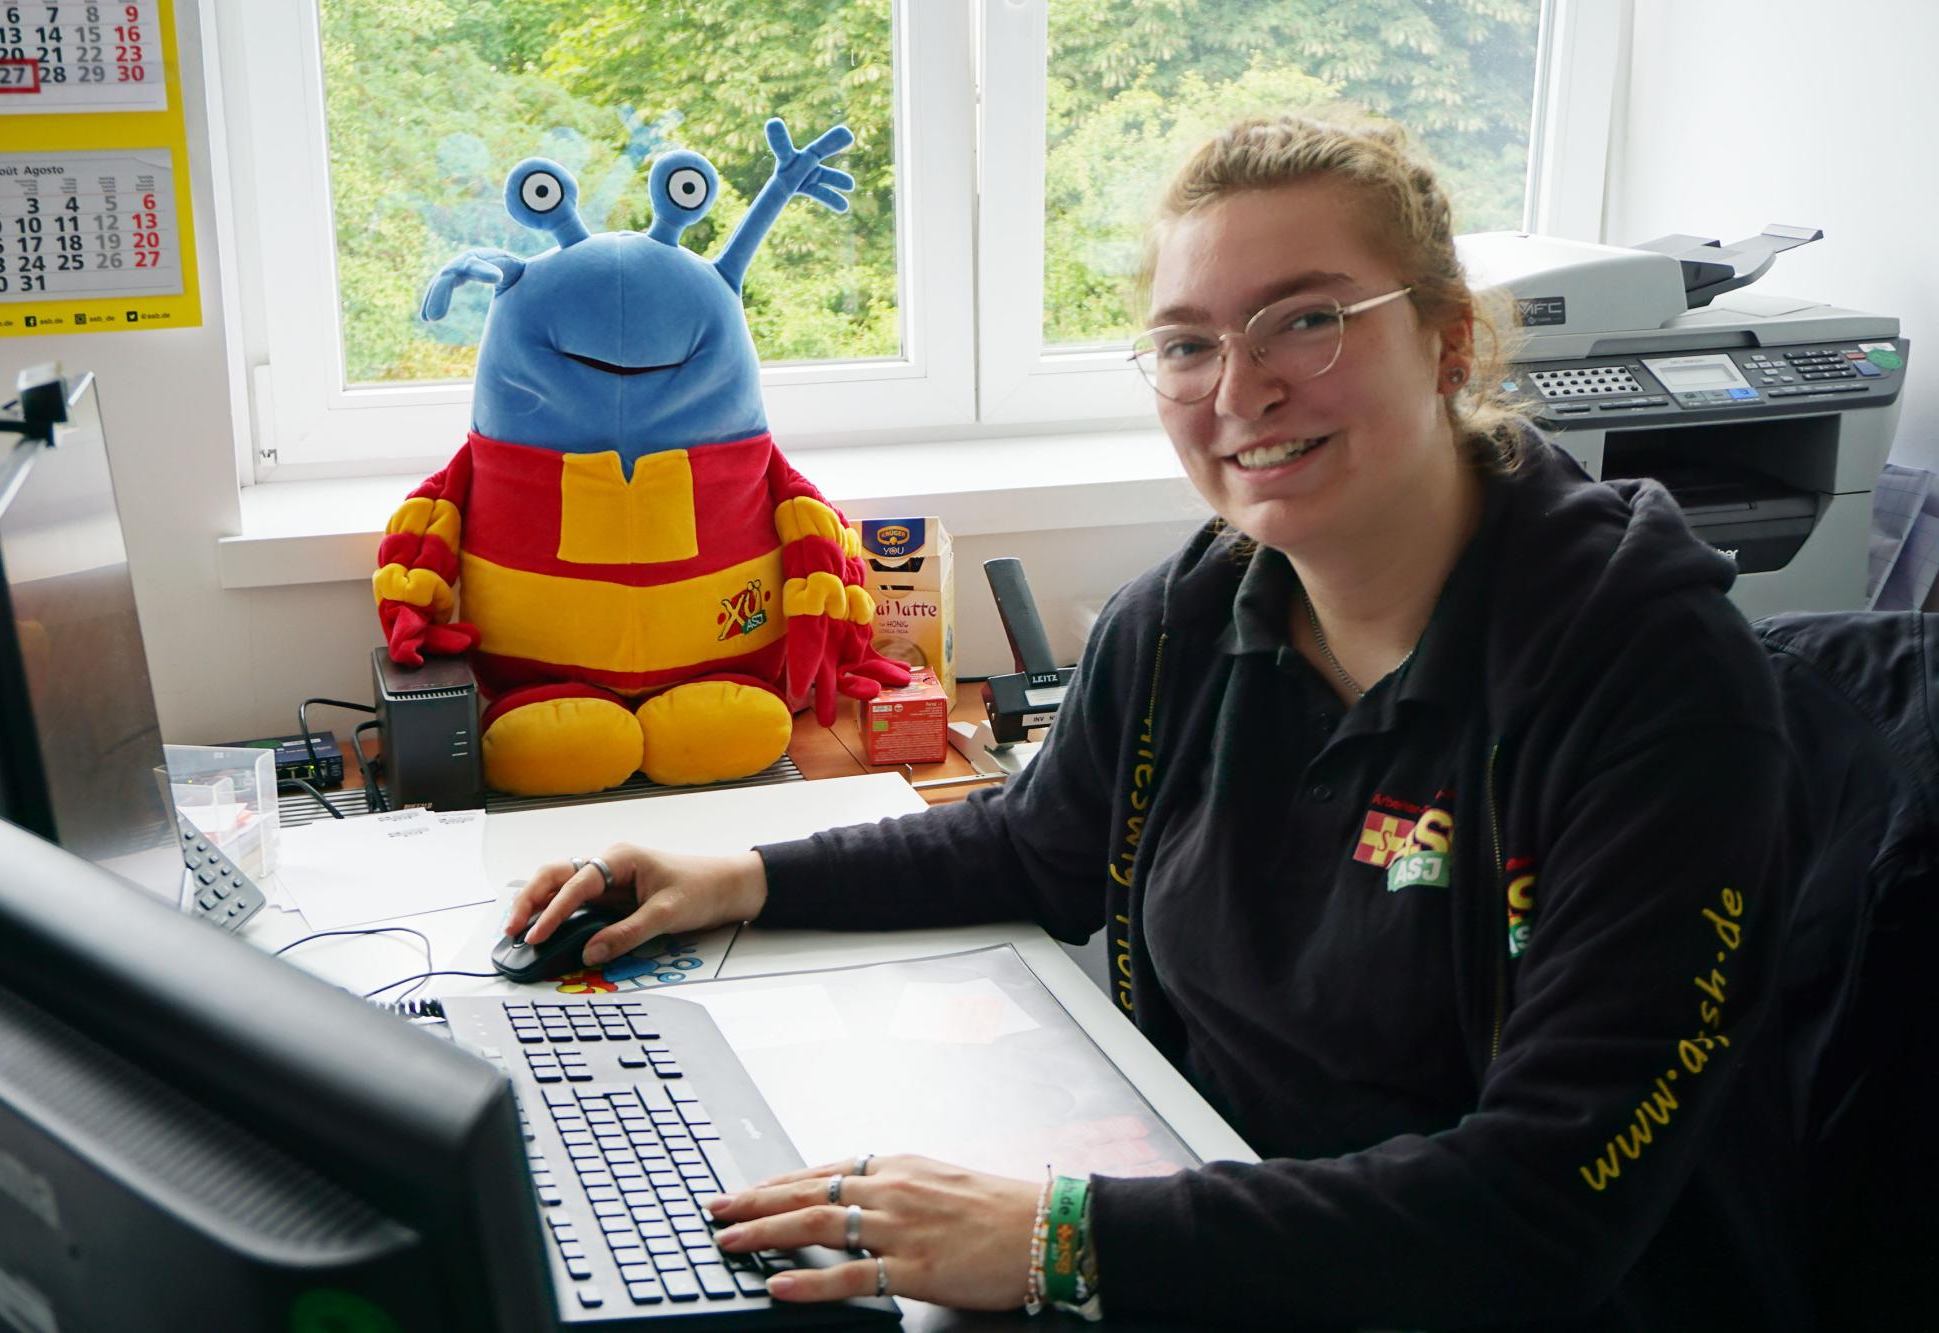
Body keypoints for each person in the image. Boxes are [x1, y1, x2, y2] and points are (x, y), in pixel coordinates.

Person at [504, 114, 1801, 1330]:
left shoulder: (1650, 681)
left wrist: (1058, 1239)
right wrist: (734, 878)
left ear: (1449, 341)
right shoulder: (1190, 616)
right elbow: (1032, 845)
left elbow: (1546, 1206)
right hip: (1213, 1228)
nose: (1240, 389)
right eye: (1187, 343)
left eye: (1307, 321)